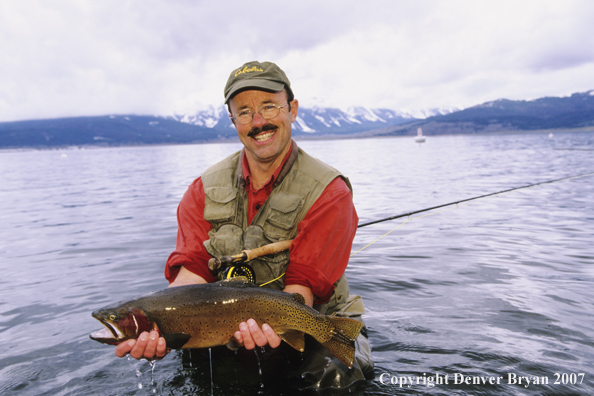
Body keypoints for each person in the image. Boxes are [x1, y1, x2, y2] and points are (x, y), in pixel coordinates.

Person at [114, 60, 373, 389]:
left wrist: (273, 326)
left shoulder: (330, 192)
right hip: (226, 324)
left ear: (292, 109)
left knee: (335, 378)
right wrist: (160, 327)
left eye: (269, 106)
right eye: (245, 112)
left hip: (317, 319)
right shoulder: (201, 190)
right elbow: (191, 273)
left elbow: (301, 290)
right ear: (232, 120)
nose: (259, 121)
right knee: (206, 374)